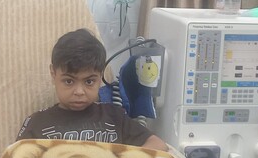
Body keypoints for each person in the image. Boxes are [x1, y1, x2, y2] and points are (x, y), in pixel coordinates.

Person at [17, 28, 168, 151]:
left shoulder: (115, 116)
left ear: (100, 75)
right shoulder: (37, 123)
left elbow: (157, 144)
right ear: (53, 73)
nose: (79, 92)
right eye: (69, 81)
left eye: (89, 81)